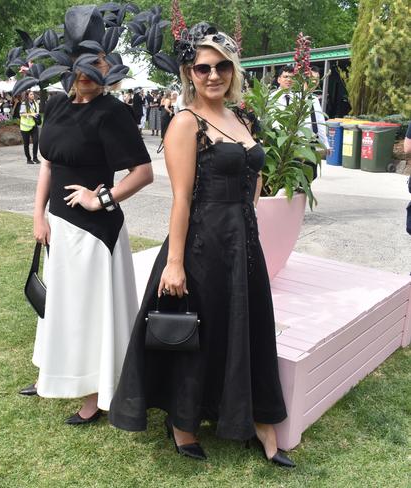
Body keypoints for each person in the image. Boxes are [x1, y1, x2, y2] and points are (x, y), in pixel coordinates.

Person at [109, 19, 295, 468]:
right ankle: (184, 424)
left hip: (242, 243)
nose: (213, 75)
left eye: (222, 67)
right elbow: (180, 198)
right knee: (200, 332)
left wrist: (247, 220)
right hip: (201, 245)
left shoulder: (241, 117)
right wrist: (174, 263)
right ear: (189, 73)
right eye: (202, 67)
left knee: (247, 328)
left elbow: (255, 173)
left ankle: (258, 422)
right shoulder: (184, 123)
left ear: (233, 71)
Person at [14, 4, 153, 424]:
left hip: (95, 233)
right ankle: (53, 375)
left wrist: (102, 198)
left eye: (101, 69)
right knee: (60, 309)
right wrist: (38, 216)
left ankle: (92, 396)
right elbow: (48, 166)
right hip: (59, 227)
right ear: (71, 67)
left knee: (87, 314)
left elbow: (143, 172)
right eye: (86, 67)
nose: (91, 76)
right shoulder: (55, 106)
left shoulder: (112, 112)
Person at [19, 91, 40, 164]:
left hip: (34, 125)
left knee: (36, 141)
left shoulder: (35, 103)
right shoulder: (24, 104)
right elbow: (21, 114)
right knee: (26, 144)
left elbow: (37, 112)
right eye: (31, 94)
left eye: (33, 94)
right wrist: (31, 114)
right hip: (25, 127)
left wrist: (37, 116)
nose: (33, 95)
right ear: (27, 96)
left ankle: (35, 157)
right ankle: (28, 159)